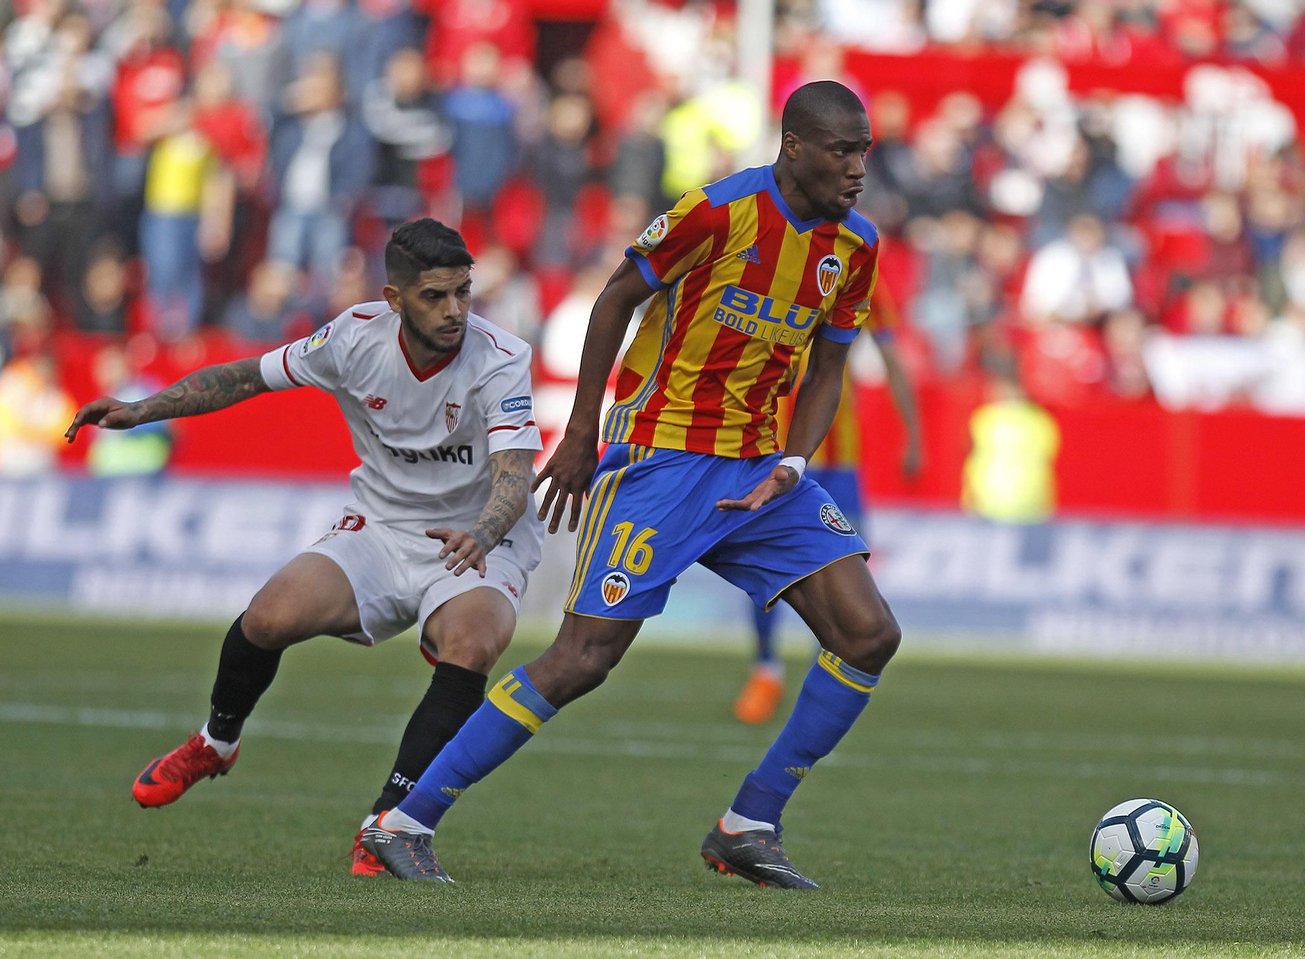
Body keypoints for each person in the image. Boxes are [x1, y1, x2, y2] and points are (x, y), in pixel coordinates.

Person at [360, 81, 901, 888]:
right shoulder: (717, 212)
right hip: (661, 457)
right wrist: (581, 432)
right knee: (583, 658)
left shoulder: (854, 245)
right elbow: (617, 297)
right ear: (794, 147)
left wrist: (791, 462)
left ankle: (749, 823)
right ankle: (400, 822)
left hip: (757, 468)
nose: (858, 168)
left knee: (867, 633)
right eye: (842, 150)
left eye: (865, 151)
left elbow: (829, 365)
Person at [64, 219, 545, 874]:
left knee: (473, 640)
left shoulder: (501, 356)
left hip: (479, 533)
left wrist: (483, 532)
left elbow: (517, 474)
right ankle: (216, 741)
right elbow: (245, 378)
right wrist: (144, 409)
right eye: (436, 295)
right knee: (268, 616)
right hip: (382, 524)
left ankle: (389, 823)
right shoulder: (353, 338)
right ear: (395, 299)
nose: (456, 309)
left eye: (463, 291)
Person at [734, 286, 921, 725]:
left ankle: (826, 682)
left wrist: (913, 432)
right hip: (773, 450)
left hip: (840, 461)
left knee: (848, 573)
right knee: (762, 566)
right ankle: (766, 669)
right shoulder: (782, 272)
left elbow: (891, 357)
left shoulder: (864, 285)